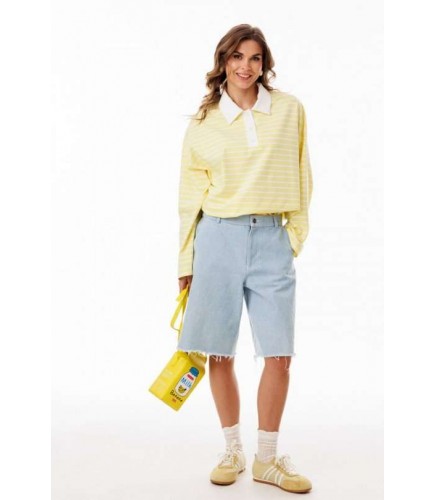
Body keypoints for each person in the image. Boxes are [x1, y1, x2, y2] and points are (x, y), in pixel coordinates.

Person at [176, 24, 313, 494]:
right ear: (223, 61)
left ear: (264, 63)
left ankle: (267, 459)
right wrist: (185, 261)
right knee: (219, 351)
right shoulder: (204, 123)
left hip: (272, 240)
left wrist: (293, 237)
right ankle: (233, 449)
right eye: (237, 57)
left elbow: (303, 172)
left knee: (279, 354)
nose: (245, 67)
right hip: (217, 239)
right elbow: (189, 198)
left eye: (254, 58)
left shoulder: (289, 110)